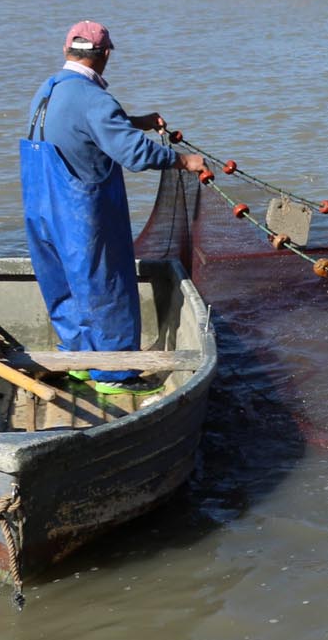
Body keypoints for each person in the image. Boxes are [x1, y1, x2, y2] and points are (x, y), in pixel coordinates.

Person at [22, 22, 206, 392]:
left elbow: (79, 127)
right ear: (104, 55)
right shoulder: (93, 99)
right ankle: (113, 373)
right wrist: (183, 161)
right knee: (106, 285)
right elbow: (132, 153)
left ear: (66, 51)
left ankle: (78, 361)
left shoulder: (49, 89)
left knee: (63, 285)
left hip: (41, 209)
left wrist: (133, 122)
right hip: (80, 212)